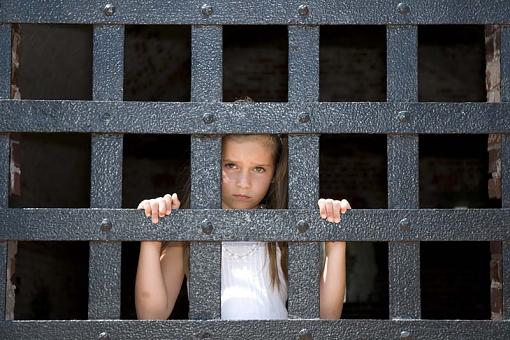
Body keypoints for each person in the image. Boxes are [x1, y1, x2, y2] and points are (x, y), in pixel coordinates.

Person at [135, 134, 351, 320]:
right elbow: (152, 315)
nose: (243, 182)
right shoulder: (190, 230)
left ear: (274, 174)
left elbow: (326, 315)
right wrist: (152, 236)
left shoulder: (286, 229)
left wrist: (335, 240)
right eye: (231, 165)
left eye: (258, 169)